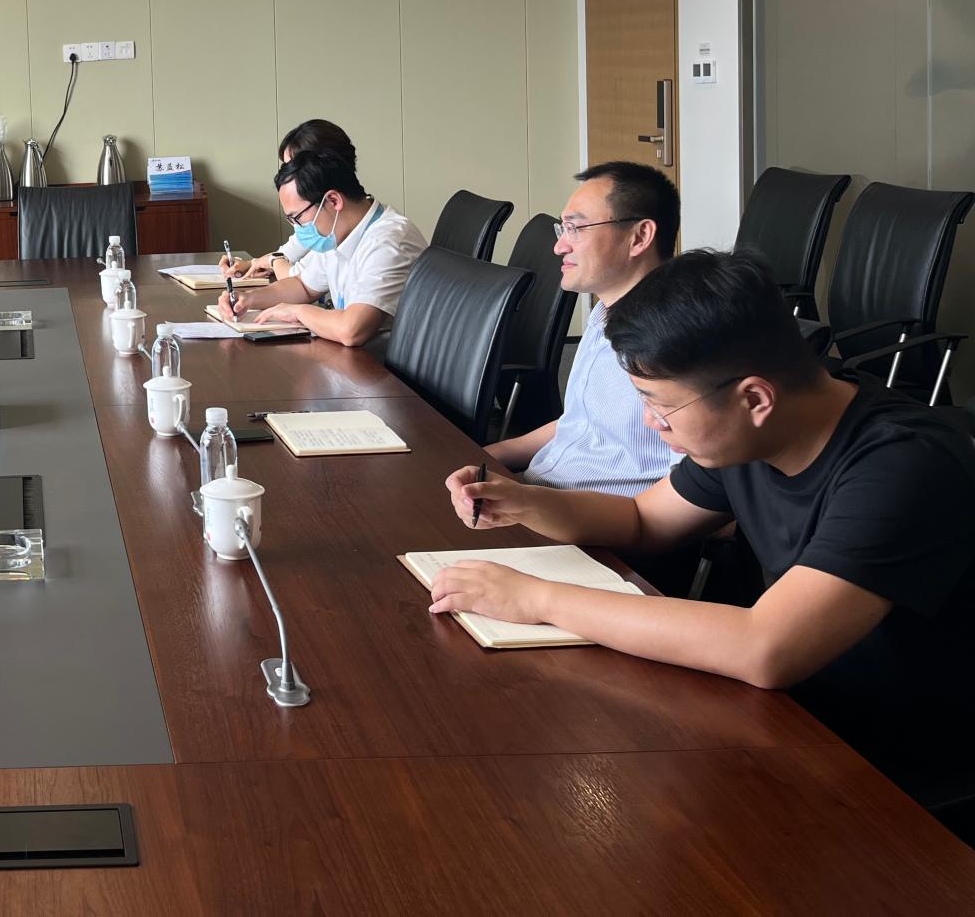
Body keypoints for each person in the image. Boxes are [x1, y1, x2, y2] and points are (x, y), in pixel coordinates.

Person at [434, 251, 975, 804]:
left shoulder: (904, 466)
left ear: (754, 398)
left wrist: (538, 599)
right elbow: (644, 520)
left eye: (661, 406)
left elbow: (765, 647)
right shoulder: (753, 433)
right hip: (790, 719)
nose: (651, 423)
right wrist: (525, 502)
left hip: (900, 772)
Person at [484, 160, 677, 495]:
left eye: (577, 228)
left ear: (639, 237)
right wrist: (484, 456)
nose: (559, 246)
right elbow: (577, 422)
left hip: (588, 516)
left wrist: (528, 502)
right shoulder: (605, 312)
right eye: (563, 229)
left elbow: (690, 486)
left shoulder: (676, 342)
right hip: (537, 492)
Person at [217, 144, 428, 347]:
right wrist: (248, 299)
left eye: (298, 218)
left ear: (333, 200)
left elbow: (352, 330)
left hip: (381, 362)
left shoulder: (389, 242)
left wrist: (297, 311)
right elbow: (303, 286)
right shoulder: (339, 231)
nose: (297, 228)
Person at [218, 119, 357, 281]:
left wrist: (272, 262)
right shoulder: (317, 219)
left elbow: (297, 276)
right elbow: (287, 254)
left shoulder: (335, 226)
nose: (287, 176)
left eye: (293, 167)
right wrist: (252, 264)